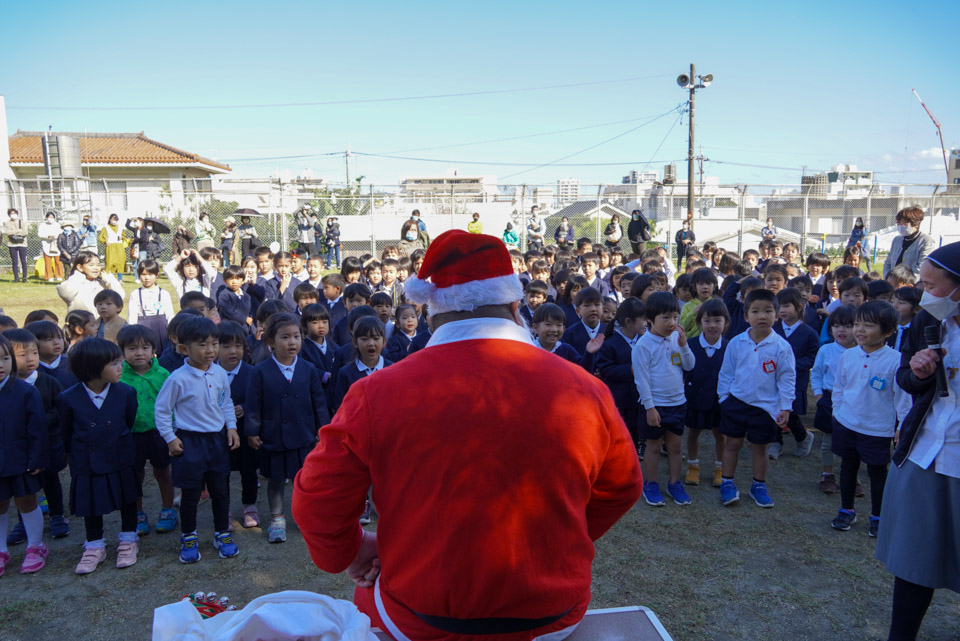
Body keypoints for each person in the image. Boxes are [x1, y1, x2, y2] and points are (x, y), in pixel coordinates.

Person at [293, 230, 643, 641]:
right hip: (552, 615)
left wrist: (352, 550)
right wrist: (555, 538)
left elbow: (318, 501)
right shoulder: (584, 388)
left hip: (419, 614)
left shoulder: (376, 392)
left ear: (429, 315)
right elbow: (622, 485)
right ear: (515, 307)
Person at [875, 243, 960, 641]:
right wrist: (920, 372)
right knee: (913, 558)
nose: (924, 294)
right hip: (925, 451)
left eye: (931, 285)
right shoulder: (930, 320)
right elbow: (907, 379)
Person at [155, 316, 240, 563]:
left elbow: (226, 401)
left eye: (214, 343)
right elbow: (161, 410)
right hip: (189, 442)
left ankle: (222, 533)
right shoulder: (177, 379)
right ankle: (189, 536)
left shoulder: (220, 373)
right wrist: (170, 438)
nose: (210, 350)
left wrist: (231, 427)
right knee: (191, 494)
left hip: (217, 441)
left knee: (220, 491)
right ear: (184, 349)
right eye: (202, 345)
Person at [58, 338, 141, 574]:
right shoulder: (68, 398)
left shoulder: (126, 392)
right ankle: (94, 544)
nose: (120, 367)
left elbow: (128, 419)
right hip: (87, 460)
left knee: (127, 497)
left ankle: (128, 538)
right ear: (93, 367)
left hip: (119, 454)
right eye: (114, 363)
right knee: (90, 502)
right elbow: (66, 431)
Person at [245, 313, 329, 543]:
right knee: (275, 480)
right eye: (285, 337)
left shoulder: (309, 369)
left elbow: (318, 402)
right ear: (270, 342)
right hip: (273, 437)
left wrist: (324, 431)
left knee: (303, 481)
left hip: (304, 436)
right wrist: (252, 432)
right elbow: (253, 405)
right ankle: (277, 518)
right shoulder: (260, 371)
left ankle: (305, 518)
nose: (292, 342)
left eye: (296, 336)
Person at [828, 301, 907, 537]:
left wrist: (901, 425)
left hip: (878, 428)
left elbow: (903, 398)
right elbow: (840, 386)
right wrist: (838, 412)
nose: (860, 330)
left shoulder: (895, 360)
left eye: (869, 325)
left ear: (888, 331)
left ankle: (878, 515)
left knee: (877, 473)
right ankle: (846, 509)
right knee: (848, 467)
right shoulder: (849, 355)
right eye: (857, 324)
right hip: (847, 423)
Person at [716, 289, 796, 508]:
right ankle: (727, 482)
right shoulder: (736, 343)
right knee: (732, 444)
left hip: (766, 407)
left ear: (777, 315)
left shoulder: (782, 347)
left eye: (768, 311)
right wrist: (724, 399)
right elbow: (726, 373)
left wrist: (785, 407)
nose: (762, 316)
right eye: (756, 311)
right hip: (736, 403)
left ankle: (759, 486)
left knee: (761, 448)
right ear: (745, 316)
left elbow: (787, 379)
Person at [633, 292, 696, 507]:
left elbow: (689, 366)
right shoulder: (643, 345)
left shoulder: (676, 339)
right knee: (652, 446)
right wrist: (650, 408)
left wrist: (684, 344)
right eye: (665, 318)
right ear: (650, 319)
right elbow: (641, 380)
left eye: (675, 317)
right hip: (655, 406)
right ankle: (650, 484)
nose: (672, 323)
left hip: (677, 403)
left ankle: (675, 483)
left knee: (676, 447)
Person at [116, 325, 176, 536]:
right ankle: (138, 514)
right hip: (131, 434)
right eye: (132, 348)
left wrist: (173, 431)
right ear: (122, 352)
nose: (139, 353)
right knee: (135, 474)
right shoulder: (118, 376)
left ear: (154, 350)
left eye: (145, 348)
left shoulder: (163, 374)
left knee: (163, 471)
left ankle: (168, 510)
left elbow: (173, 404)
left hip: (160, 433)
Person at [0, 334, 49, 576]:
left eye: (5, 358)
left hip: (20, 459)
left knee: (26, 501)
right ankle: (1, 550)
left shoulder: (24, 391)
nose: (1, 365)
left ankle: (35, 546)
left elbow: (38, 428)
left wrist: (37, 458)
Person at [683, 299, 730, 488]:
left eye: (717, 321)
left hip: (719, 400)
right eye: (707, 320)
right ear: (699, 322)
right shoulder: (690, 345)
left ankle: (720, 468)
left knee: (720, 434)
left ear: (726, 322)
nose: (712, 325)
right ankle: (693, 466)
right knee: (693, 432)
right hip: (694, 397)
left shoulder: (729, 347)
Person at [216, 321, 259, 528]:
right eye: (225, 346)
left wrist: (246, 407)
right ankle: (223, 510)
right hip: (218, 434)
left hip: (245, 432)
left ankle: (250, 505)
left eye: (238, 346)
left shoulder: (253, 373)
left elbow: (261, 400)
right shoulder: (210, 373)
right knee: (220, 472)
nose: (233, 351)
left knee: (249, 470)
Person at [811, 305, 857, 494]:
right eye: (836, 326)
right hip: (829, 398)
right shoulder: (826, 350)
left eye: (847, 326)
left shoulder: (861, 351)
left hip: (854, 400)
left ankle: (852, 476)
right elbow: (817, 374)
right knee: (828, 441)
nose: (841, 330)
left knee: (853, 441)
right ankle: (827, 474)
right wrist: (820, 396)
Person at [771, 288, 818, 460]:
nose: (781, 310)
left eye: (786, 306)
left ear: (798, 306)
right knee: (773, 408)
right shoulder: (773, 330)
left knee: (791, 413)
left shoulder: (809, 333)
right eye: (779, 307)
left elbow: (812, 357)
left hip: (796, 380)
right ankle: (775, 442)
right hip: (772, 378)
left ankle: (803, 437)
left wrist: (792, 366)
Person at [597, 297, 645, 452]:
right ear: (629, 322)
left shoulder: (645, 340)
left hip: (641, 396)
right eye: (642, 319)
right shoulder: (610, 343)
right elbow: (605, 370)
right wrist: (629, 369)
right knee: (623, 432)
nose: (646, 322)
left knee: (638, 430)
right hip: (620, 397)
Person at [57, 251, 124, 315]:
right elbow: (66, 294)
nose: (96, 268)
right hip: (81, 324)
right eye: (91, 265)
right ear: (80, 267)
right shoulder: (75, 282)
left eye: (98, 265)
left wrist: (111, 280)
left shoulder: (102, 284)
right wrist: (78, 275)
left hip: (100, 324)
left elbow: (120, 296)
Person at [882, 206, 935, 278]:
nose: (901, 226)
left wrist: (906, 282)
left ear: (916, 224)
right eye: (899, 223)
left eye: (905, 224)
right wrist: (888, 278)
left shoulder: (926, 240)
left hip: (911, 284)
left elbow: (922, 267)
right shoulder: (897, 240)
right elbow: (888, 263)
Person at [3, 208, 30, 283]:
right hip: (12, 244)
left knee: (23, 261)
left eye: (14, 213)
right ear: (9, 215)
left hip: (22, 244)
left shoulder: (23, 222)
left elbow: (25, 232)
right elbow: (7, 232)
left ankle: (24, 278)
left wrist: (13, 232)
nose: (13, 215)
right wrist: (18, 230)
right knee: (14, 261)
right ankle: (16, 278)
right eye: (11, 213)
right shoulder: (6, 223)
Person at [98, 214, 128, 281]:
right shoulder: (106, 227)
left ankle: (120, 279)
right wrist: (105, 241)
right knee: (109, 262)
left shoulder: (120, 227)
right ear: (110, 219)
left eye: (116, 220)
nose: (114, 221)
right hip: (110, 246)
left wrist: (122, 237)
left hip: (119, 246)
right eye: (113, 219)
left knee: (120, 262)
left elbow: (124, 236)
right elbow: (101, 237)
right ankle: (107, 278)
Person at [38, 212, 64, 282]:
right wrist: (47, 236)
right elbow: (40, 234)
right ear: (46, 217)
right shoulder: (42, 225)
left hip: (56, 244)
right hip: (46, 244)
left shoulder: (57, 225)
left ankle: (59, 275)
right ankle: (49, 276)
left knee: (58, 261)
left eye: (52, 217)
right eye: (49, 217)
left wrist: (55, 237)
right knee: (48, 261)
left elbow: (61, 233)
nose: (50, 219)